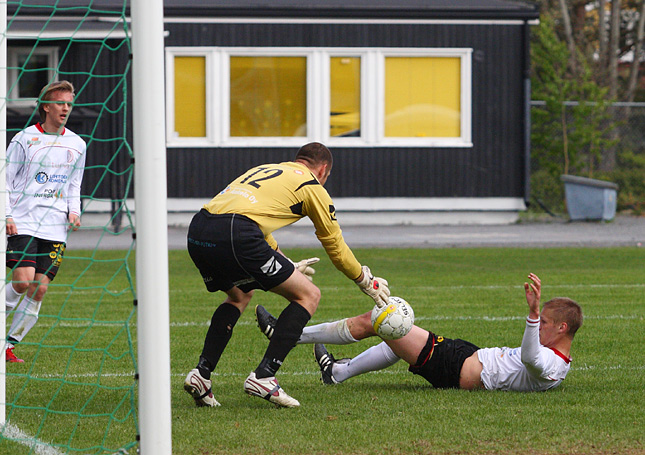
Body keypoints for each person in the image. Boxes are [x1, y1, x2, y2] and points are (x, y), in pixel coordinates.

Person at [183, 141, 390, 408]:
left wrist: (284, 261)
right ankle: (264, 376)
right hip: (237, 232)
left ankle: (201, 374)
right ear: (324, 170)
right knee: (309, 295)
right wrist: (365, 281)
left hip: (199, 229)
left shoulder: (269, 169)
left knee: (239, 295)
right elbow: (336, 248)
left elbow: (256, 220)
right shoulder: (312, 186)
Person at [256, 273, 583, 392]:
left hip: (456, 369)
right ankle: (337, 373)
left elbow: (529, 357)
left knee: (383, 319)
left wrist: (532, 313)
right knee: (392, 334)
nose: (539, 327)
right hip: (466, 355)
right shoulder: (556, 356)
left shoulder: (553, 367)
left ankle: (286, 335)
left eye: (544, 323)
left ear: (562, 328)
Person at [5, 80, 86, 363]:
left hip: (55, 226)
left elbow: (74, 184)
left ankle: (8, 345)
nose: (66, 108)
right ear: (46, 106)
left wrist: (74, 211)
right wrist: (8, 215)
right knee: (22, 282)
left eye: (69, 103)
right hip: (24, 220)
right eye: (61, 103)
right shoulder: (24, 139)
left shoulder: (77, 144)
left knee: (39, 288)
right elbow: (5, 179)